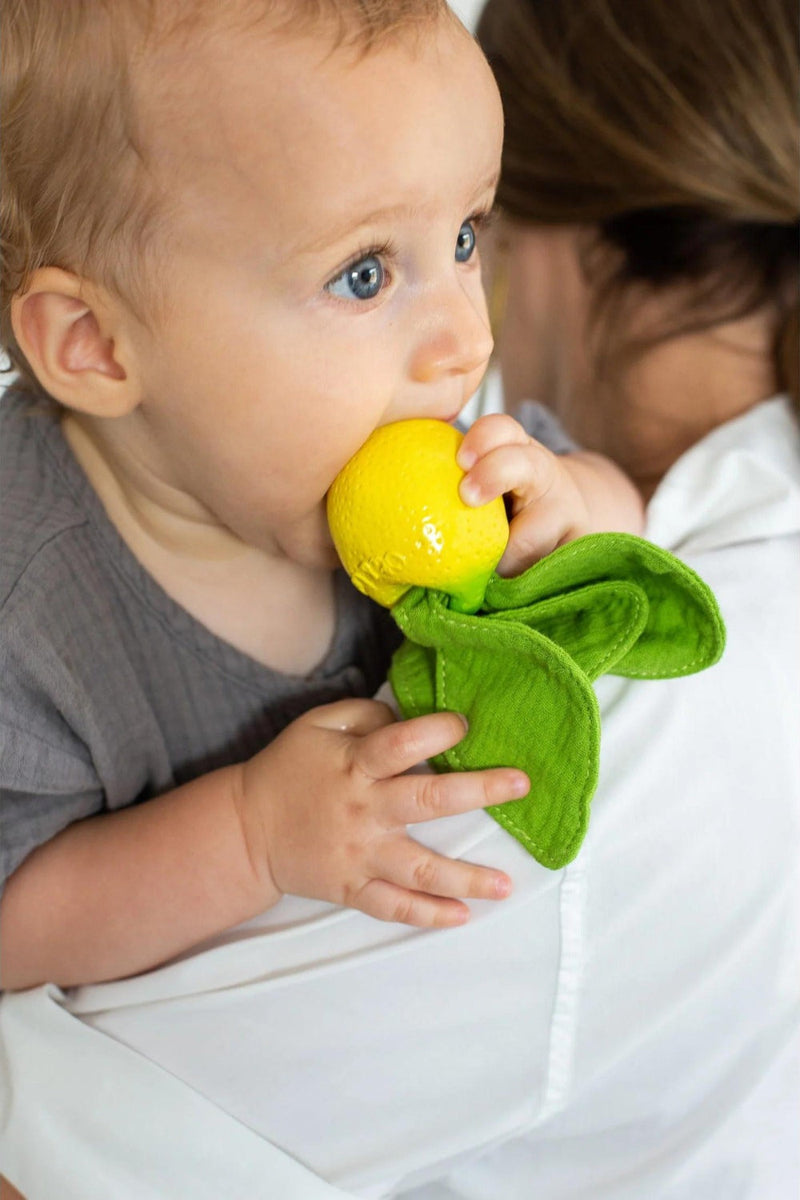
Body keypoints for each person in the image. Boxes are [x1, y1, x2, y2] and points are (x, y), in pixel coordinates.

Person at [0, 0, 794, 1196]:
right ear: (97, 346)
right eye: (365, 273)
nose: (459, 340)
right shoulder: (30, 604)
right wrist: (248, 839)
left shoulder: (436, 437)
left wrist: (577, 507)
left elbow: (606, 514)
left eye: (468, 238)